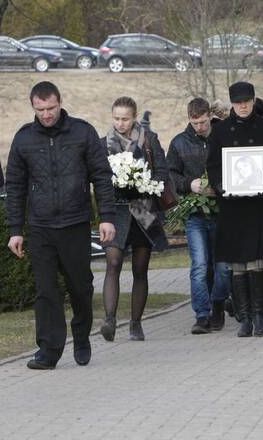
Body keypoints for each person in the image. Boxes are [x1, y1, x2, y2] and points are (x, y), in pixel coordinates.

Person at [5, 81, 115, 370]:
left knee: (80, 286)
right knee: (45, 290)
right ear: (33, 107)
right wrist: (15, 230)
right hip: (40, 227)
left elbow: (101, 176)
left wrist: (106, 217)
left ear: (60, 102)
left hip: (75, 222)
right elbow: (15, 187)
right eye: (40, 109)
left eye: (50, 108)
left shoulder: (83, 132)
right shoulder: (23, 139)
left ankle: (81, 336)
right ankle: (49, 350)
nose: (46, 114)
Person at [207, 81, 263, 338]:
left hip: (260, 203)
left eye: (247, 101)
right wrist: (221, 186)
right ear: (231, 103)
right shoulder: (220, 132)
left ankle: (259, 315)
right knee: (238, 263)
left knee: (259, 260)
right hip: (233, 205)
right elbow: (214, 165)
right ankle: (244, 317)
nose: (243, 106)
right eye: (238, 102)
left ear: (253, 101)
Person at [101, 96, 169, 342]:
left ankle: (136, 323)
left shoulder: (149, 140)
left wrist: (146, 182)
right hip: (116, 210)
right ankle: (109, 319)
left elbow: (162, 171)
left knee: (140, 268)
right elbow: (97, 177)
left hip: (143, 209)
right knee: (113, 262)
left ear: (134, 117)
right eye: (116, 118)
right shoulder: (103, 144)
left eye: (125, 119)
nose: (120, 123)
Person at [168, 98, 230, 335]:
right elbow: (170, 174)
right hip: (195, 212)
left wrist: (221, 186)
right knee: (200, 265)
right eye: (195, 123)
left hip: (221, 209)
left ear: (209, 117)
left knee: (223, 266)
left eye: (203, 122)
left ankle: (218, 303)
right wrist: (189, 184)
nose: (200, 127)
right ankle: (202, 315)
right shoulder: (179, 143)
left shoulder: (221, 136)